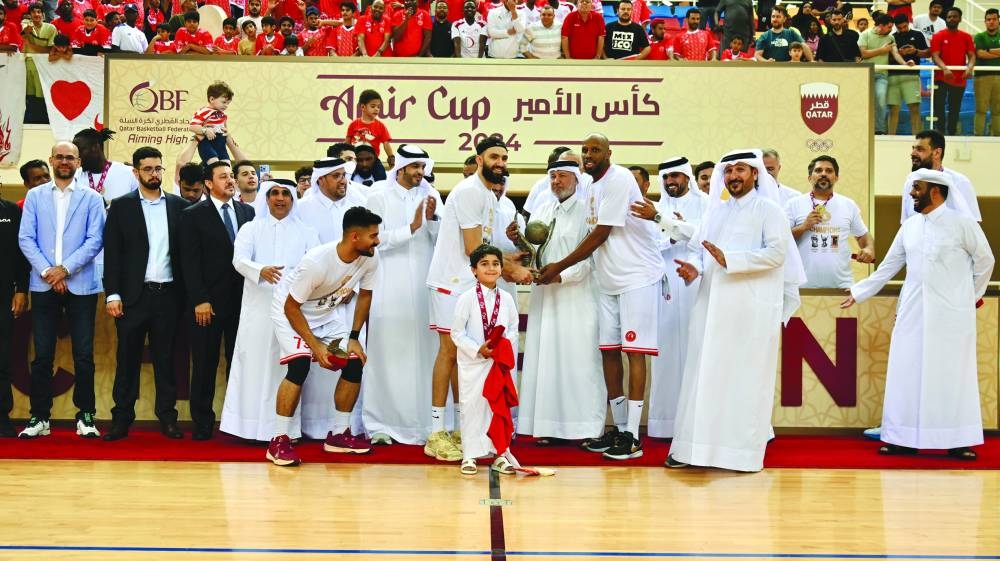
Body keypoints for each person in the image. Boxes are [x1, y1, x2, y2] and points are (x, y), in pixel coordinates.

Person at [666, 149, 803, 472]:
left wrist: (733, 260)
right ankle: (692, 450)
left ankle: (739, 455)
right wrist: (695, 269)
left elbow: (777, 254)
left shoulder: (769, 210)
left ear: (755, 174)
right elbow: (703, 252)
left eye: (740, 170)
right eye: (728, 172)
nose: (733, 177)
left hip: (749, 311)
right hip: (711, 308)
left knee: (744, 380)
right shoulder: (717, 212)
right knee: (703, 377)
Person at [841, 169, 993, 460]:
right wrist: (860, 291)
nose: (911, 193)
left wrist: (969, 297)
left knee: (951, 375)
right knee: (906, 372)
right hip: (912, 311)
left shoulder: (963, 224)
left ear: (935, 191)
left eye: (916, 188)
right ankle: (903, 438)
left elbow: (986, 261)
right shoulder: (909, 227)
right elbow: (888, 266)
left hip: (952, 316)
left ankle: (958, 440)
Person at [535, 133, 665, 461]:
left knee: (635, 353)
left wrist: (559, 266)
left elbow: (600, 234)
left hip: (637, 276)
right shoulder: (591, 186)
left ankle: (633, 436)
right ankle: (618, 428)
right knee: (609, 351)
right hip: (608, 280)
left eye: (595, 150)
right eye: (585, 151)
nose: (589, 155)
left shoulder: (619, 179)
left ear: (609, 152)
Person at [424, 137, 532, 462]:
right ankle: (435, 433)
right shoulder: (471, 191)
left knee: (464, 357)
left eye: (503, 157)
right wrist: (510, 268)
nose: (499, 162)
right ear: (479, 159)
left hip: (465, 283)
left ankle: (461, 429)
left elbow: (482, 246)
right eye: (493, 157)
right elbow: (474, 250)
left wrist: (511, 257)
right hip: (449, 283)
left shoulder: (488, 195)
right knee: (447, 352)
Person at [265, 205, 382, 466]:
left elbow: (365, 295)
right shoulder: (317, 262)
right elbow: (290, 308)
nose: (378, 240)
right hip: (291, 310)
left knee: (354, 360)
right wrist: (315, 346)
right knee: (300, 363)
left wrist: (354, 336)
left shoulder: (371, 257)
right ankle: (279, 440)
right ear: (354, 237)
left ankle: (339, 435)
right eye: (373, 235)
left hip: (325, 312)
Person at [17, 141, 105, 439]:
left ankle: (86, 415)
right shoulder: (35, 197)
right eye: (60, 157)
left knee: (83, 355)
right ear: (51, 160)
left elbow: (95, 241)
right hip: (42, 284)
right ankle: (39, 417)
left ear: (79, 162)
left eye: (70, 157)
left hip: (80, 284)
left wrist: (64, 270)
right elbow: (26, 238)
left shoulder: (92, 198)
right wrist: (48, 272)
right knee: (42, 355)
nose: (65, 161)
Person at [221, 180, 320, 441]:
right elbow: (238, 259)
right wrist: (259, 270)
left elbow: (314, 267)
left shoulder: (307, 231)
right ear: (266, 198)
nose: (280, 198)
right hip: (258, 309)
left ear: (292, 199)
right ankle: (247, 428)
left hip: (293, 311)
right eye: (274, 193)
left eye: (286, 194)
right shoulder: (251, 228)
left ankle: (284, 430)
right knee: (252, 365)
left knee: (286, 367)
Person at [101, 147, 188, 441]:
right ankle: (121, 420)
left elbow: (185, 255)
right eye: (148, 169)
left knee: (166, 360)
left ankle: (168, 419)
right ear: (136, 172)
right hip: (132, 298)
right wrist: (112, 294)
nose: (154, 174)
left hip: (168, 296)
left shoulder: (178, 206)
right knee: (127, 361)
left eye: (158, 168)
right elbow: (112, 255)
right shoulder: (121, 207)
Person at [518, 160, 604, 444]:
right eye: (553, 176)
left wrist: (560, 276)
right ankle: (548, 427)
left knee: (579, 362)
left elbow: (590, 260)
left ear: (577, 179)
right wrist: (520, 244)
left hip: (577, 298)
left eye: (563, 176)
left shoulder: (586, 213)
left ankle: (585, 428)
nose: (556, 182)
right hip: (546, 297)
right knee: (546, 362)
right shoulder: (542, 210)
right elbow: (535, 253)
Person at [362, 145, 443, 445]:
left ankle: (427, 425)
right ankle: (382, 423)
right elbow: (372, 241)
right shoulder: (378, 196)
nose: (421, 173)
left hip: (424, 284)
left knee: (425, 352)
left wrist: (433, 221)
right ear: (401, 168)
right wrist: (410, 228)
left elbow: (443, 239)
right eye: (415, 168)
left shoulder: (430, 195)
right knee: (388, 352)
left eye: (423, 168)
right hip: (388, 283)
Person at [629, 157, 710, 439]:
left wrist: (675, 228)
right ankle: (664, 424)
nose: (671, 182)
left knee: (695, 350)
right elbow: (649, 244)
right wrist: (672, 235)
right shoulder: (656, 208)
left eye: (676, 176)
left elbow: (703, 238)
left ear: (687, 177)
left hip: (696, 282)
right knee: (664, 355)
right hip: (662, 285)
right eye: (666, 178)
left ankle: (697, 425)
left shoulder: (707, 204)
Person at [180, 161, 256, 441]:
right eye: (222, 177)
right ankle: (202, 422)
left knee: (242, 362)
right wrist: (200, 299)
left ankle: (242, 422)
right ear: (209, 184)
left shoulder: (248, 212)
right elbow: (189, 261)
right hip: (208, 304)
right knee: (204, 363)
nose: (230, 181)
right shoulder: (192, 214)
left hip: (245, 302)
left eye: (231, 176)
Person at [452, 244, 520, 476]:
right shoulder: (466, 298)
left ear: (501, 268)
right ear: (473, 270)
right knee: (472, 407)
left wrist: (500, 347)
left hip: (497, 363)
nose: (491, 268)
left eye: (495, 264)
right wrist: (478, 348)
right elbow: (457, 333)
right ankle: (469, 455)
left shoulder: (508, 298)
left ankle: (499, 453)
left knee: (497, 408)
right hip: (474, 364)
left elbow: (512, 327)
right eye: (484, 264)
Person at [785, 155, 874, 288]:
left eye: (829, 171)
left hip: (842, 286)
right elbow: (782, 239)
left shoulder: (848, 205)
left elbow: (863, 236)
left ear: (836, 177)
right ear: (809, 178)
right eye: (818, 170)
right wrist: (804, 227)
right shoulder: (793, 204)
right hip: (802, 286)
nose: (824, 174)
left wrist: (869, 249)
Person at [0, 189, 29, 437]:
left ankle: (2, 417)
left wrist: (22, 289)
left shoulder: (10, 211)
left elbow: (21, 255)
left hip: (4, 295)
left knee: (2, 358)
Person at [931, 7, 975, 135]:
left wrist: (970, 67)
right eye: (949, 17)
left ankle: (952, 134)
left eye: (954, 16)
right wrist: (945, 69)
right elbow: (935, 55)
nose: (951, 19)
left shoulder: (966, 37)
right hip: (940, 78)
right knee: (938, 108)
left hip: (959, 79)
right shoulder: (938, 36)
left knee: (954, 109)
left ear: (960, 19)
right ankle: (939, 134)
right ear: (946, 19)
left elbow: (972, 55)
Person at [889, 13, 929, 135]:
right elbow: (888, 58)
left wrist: (915, 51)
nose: (902, 30)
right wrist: (899, 54)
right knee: (893, 109)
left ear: (908, 23)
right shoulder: (891, 37)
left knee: (914, 108)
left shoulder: (917, 35)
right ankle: (890, 137)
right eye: (899, 28)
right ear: (895, 26)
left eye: (904, 27)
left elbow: (928, 53)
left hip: (912, 76)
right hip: (893, 75)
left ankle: (917, 137)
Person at [859, 13, 895, 134]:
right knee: (863, 102)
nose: (891, 29)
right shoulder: (865, 34)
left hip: (882, 75)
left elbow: (896, 54)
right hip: (865, 74)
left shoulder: (890, 38)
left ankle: (879, 130)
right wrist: (882, 50)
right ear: (881, 26)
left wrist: (906, 63)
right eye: (889, 27)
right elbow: (863, 54)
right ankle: (862, 128)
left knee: (880, 98)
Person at [346, 89, 395, 168]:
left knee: (381, 176)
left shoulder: (381, 126)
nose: (376, 109)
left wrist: (391, 157)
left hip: (373, 161)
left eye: (378, 107)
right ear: (363, 107)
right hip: (355, 160)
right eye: (373, 106)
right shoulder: (353, 125)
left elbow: (386, 144)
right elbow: (347, 143)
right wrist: (345, 156)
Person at [190, 82, 234, 165]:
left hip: (221, 142)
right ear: (212, 99)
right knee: (213, 163)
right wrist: (205, 130)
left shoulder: (223, 115)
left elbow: (225, 127)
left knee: (227, 164)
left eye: (228, 103)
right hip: (207, 142)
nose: (226, 106)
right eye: (224, 102)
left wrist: (227, 132)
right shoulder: (203, 111)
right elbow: (192, 127)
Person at [973, 8, 1000, 136]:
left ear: (998, 21)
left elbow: (985, 52)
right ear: (985, 22)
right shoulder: (979, 36)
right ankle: (978, 137)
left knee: (998, 110)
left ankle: (997, 137)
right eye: (988, 20)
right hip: (982, 77)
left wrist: (988, 50)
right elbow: (980, 54)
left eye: (994, 19)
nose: (991, 22)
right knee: (981, 110)